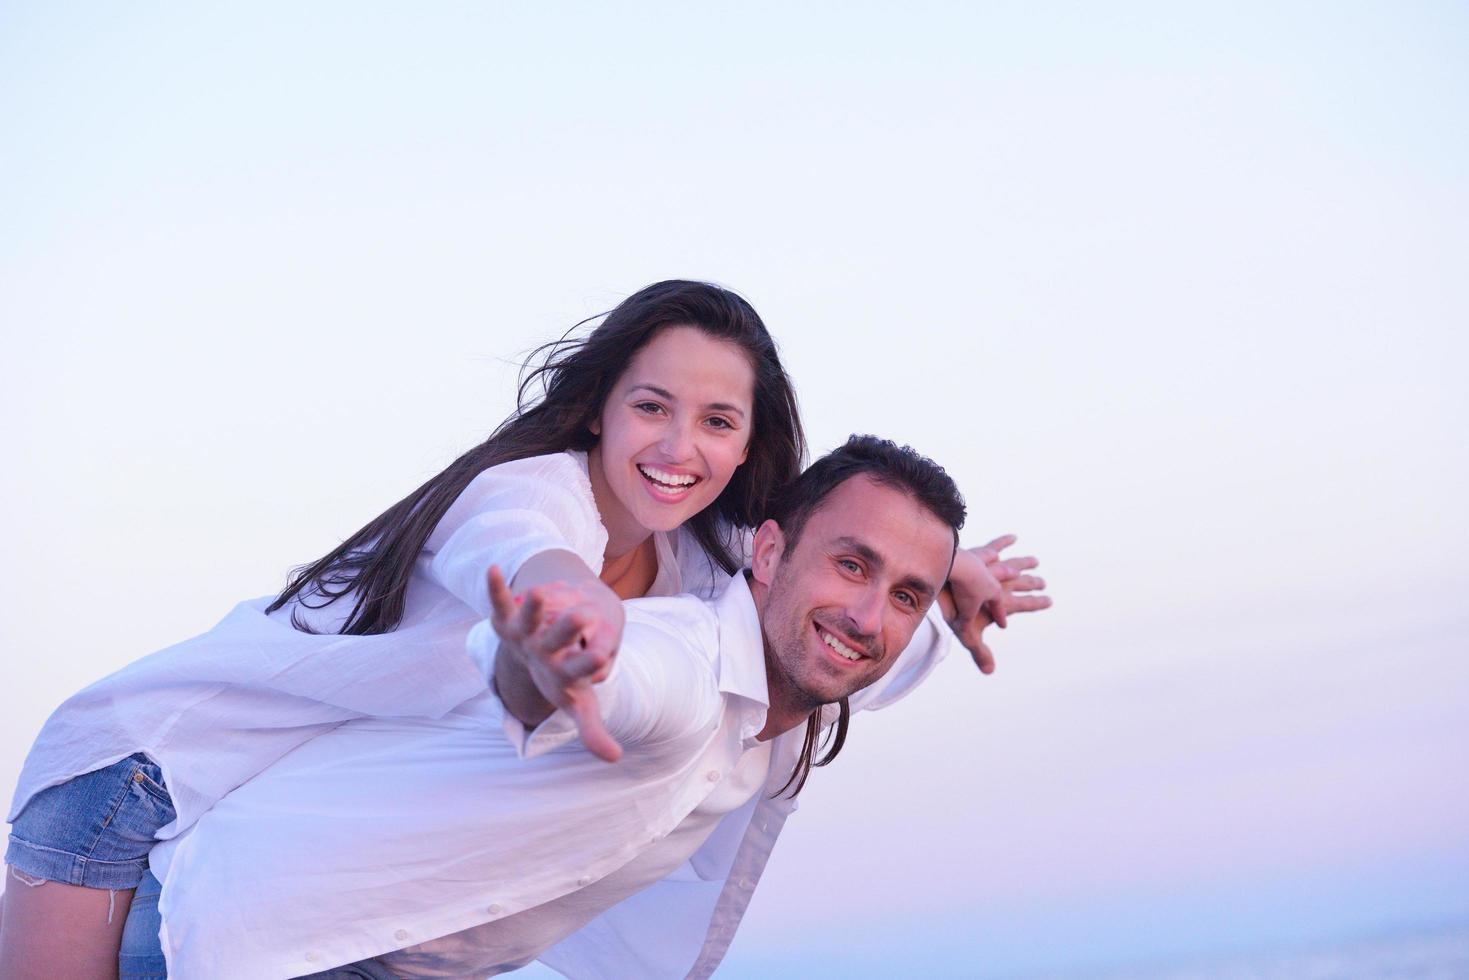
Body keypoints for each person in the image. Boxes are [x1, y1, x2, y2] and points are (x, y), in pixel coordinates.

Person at [1, 283, 1044, 979]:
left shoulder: (711, 557)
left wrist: (937, 571)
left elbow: (826, 613)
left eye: (717, 421)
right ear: (600, 408)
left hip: (281, 847)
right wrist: (559, 611)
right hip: (142, 772)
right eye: (651, 406)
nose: (679, 444)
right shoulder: (530, 498)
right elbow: (520, 567)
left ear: (748, 447)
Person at [127, 436, 1015, 979]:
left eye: (904, 594)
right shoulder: (684, 668)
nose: (868, 615)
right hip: (225, 929)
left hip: (359, 951)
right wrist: (548, 665)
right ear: (770, 552)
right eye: (851, 565)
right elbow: (607, 675)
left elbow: (875, 654)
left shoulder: (810, 669)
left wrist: (943, 594)